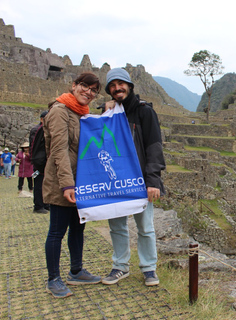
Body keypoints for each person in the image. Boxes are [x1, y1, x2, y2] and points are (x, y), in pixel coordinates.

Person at [101, 68, 166, 287]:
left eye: (121, 84)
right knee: (117, 226)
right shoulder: (108, 113)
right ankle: (120, 266)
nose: (117, 88)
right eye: (112, 85)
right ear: (109, 90)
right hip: (115, 181)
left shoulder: (144, 111)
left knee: (145, 227)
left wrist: (153, 180)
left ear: (129, 86)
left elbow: (154, 146)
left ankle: (149, 268)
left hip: (138, 180)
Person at [43, 72, 102, 298]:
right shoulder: (59, 111)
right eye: (85, 86)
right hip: (62, 182)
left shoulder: (81, 114)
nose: (88, 92)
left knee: (78, 228)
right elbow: (59, 150)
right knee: (57, 231)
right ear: (74, 85)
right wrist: (67, 185)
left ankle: (76, 270)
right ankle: (53, 279)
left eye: (93, 90)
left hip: (81, 181)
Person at [30, 111, 49, 213]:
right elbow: (35, 147)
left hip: (45, 161)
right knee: (38, 184)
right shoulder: (37, 130)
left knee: (46, 184)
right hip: (39, 161)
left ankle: (46, 203)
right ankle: (38, 205)